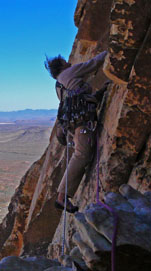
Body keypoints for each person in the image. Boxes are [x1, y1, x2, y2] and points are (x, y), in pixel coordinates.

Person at [45, 51, 108, 213]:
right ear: (61, 67)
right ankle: (62, 197)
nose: (70, 63)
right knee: (82, 154)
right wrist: (112, 50)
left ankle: (64, 195)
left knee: (82, 153)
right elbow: (93, 63)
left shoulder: (59, 85)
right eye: (66, 62)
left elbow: (77, 97)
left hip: (73, 122)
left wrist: (98, 95)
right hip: (80, 121)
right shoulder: (69, 73)